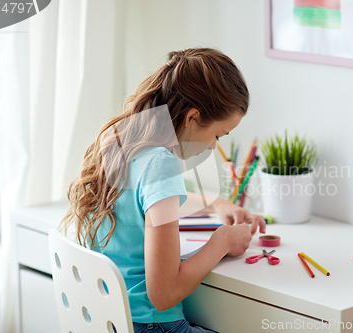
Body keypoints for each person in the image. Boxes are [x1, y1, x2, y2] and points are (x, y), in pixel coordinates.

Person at [60, 47, 266, 333]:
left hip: (111, 320)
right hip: (152, 325)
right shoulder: (161, 163)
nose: (213, 146)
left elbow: (144, 204)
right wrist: (222, 242)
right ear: (192, 117)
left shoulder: (118, 139)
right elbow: (164, 294)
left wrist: (218, 204)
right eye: (218, 135)